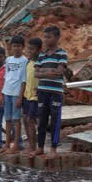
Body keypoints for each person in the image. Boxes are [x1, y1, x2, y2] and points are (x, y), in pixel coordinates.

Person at [32, 26, 67, 157]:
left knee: (55, 121)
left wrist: (43, 72)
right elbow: (36, 73)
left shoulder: (62, 53)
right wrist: (48, 72)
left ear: (57, 38)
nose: (46, 40)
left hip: (56, 93)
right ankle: (40, 147)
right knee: (41, 120)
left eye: (49, 37)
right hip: (42, 92)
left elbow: (59, 72)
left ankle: (53, 148)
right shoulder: (42, 55)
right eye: (45, 37)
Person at [0, 35, 29, 154]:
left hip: (17, 93)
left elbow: (24, 80)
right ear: (11, 47)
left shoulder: (24, 61)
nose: (16, 48)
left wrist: (20, 97)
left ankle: (16, 145)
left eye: (19, 46)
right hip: (7, 92)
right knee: (7, 119)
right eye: (14, 46)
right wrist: (2, 93)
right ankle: (6, 145)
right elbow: (6, 77)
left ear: (23, 47)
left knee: (16, 120)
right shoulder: (8, 60)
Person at [22, 37, 42, 155]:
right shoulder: (28, 63)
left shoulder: (41, 63)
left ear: (39, 50)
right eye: (28, 48)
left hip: (35, 97)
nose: (29, 51)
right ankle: (30, 144)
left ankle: (34, 146)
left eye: (32, 49)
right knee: (25, 119)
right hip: (26, 96)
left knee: (31, 120)